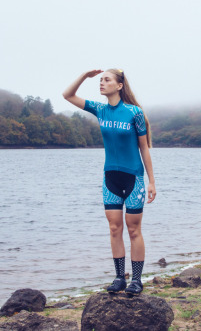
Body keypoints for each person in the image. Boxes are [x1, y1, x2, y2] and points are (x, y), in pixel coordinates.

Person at [62, 69, 156, 296]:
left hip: (133, 177)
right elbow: (67, 95)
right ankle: (119, 278)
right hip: (110, 178)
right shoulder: (100, 109)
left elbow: (144, 147)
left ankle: (136, 280)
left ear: (119, 85)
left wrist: (152, 181)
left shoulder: (134, 113)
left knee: (134, 230)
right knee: (115, 228)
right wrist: (85, 76)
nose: (102, 83)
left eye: (107, 80)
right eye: (101, 80)